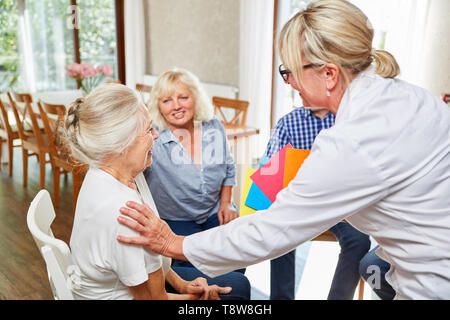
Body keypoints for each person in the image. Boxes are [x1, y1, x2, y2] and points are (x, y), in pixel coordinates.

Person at [116, 0, 450, 299]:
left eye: (289, 72)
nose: (288, 82)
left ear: (329, 74)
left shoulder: (354, 140)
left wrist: (172, 243)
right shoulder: (409, 97)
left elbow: (273, 229)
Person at [64, 83, 249, 300]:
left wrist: (183, 286)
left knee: (237, 282)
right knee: (237, 290)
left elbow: (152, 265)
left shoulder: (114, 171)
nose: (157, 136)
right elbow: (153, 300)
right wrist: (200, 297)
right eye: (148, 130)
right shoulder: (125, 212)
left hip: (137, 283)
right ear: (119, 145)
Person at [145, 67, 244, 275]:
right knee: (195, 270)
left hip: (214, 211)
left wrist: (226, 203)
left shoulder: (213, 125)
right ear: (158, 106)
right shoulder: (153, 138)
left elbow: (228, 166)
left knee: (237, 258)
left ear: (195, 98)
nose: (177, 106)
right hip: (176, 220)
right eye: (167, 100)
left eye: (183, 97)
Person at [265, 103, 370, 300]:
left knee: (359, 240)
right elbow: (269, 171)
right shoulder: (288, 123)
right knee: (278, 232)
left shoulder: (349, 119)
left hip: (341, 207)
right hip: (298, 204)